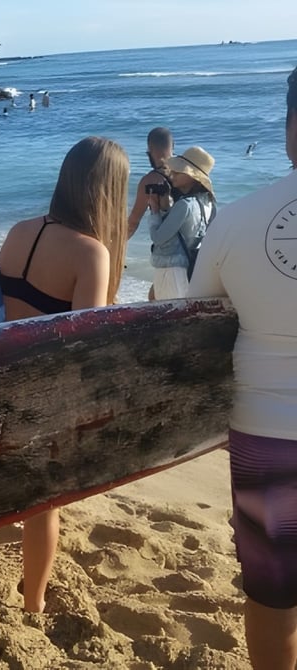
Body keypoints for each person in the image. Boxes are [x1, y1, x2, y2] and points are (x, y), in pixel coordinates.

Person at [0, 137, 130, 613]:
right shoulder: (91, 253)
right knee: (44, 503)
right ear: (110, 191)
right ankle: (34, 607)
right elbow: (85, 342)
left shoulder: (21, 231)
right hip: (45, 388)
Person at [187, 64, 297, 670]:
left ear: (289, 128)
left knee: (271, 589)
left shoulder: (233, 219)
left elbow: (200, 323)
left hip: (264, 436)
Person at [148, 146, 216, 300]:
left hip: (170, 271)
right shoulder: (207, 203)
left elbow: (158, 237)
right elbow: (184, 233)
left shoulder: (184, 205)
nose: (173, 174)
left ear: (193, 177)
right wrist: (165, 209)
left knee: (164, 315)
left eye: (179, 171)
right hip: (188, 270)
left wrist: (154, 211)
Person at [128, 127, 175, 237]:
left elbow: (133, 222)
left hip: (167, 249)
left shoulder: (149, 181)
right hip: (194, 248)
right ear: (173, 146)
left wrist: (113, 246)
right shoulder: (187, 174)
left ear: (149, 148)